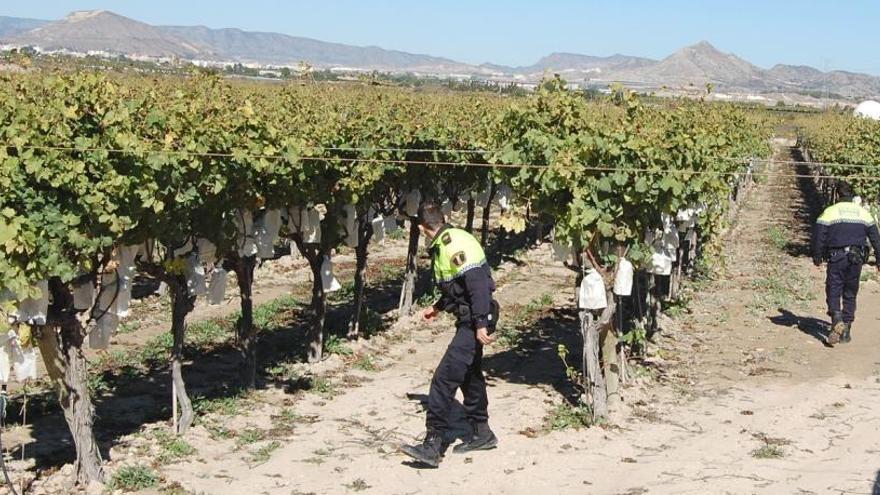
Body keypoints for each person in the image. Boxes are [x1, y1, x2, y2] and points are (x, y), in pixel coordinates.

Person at [400, 202, 499, 467]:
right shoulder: (450, 240)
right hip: (473, 316)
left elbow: (478, 284)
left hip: (476, 318)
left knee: (444, 379)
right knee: (469, 376)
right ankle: (482, 433)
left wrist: (480, 323)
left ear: (422, 228)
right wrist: (439, 307)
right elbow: (459, 287)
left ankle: (433, 445)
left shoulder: (454, 245)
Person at [812, 181, 880, 346]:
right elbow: (876, 239)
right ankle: (846, 330)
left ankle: (836, 318)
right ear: (852, 195)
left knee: (834, 288)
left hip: (837, 257)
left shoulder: (830, 212)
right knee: (850, 291)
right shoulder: (864, 213)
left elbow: (819, 236)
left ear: (837, 195)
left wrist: (817, 257)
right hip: (857, 258)